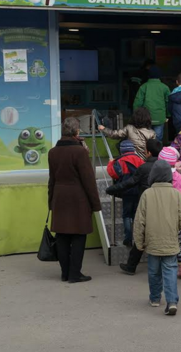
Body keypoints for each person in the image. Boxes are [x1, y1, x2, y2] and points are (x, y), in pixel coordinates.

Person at [133, 160, 181, 316]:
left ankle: (155, 298)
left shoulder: (147, 194)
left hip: (152, 241)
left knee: (153, 271)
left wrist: (139, 241)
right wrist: (177, 227)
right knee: (170, 270)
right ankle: (172, 301)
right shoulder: (176, 194)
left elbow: (139, 220)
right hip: (171, 239)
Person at [48, 117, 101, 283]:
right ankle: (75, 273)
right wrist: (95, 203)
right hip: (78, 198)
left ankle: (65, 273)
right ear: (76, 132)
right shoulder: (79, 152)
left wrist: (50, 201)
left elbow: (52, 180)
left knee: (62, 236)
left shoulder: (53, 152)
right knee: (78, 236)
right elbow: (88, 180)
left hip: (59, 196)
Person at [108, 138, 163, 275]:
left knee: (140, 236)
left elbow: (130, 183)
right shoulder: (164, 166)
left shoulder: (144, 167)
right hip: (161, 204)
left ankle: (131, 265)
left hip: (145, 204)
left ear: (148, 152)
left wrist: (112, 189)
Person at [158, 146, 181, 280]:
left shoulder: (157, 177)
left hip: (161, 214)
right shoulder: (179, 177)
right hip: (176, 215)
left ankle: (164, 270)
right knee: (177, 241)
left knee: (162, 243)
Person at [105, 140, 144, 248]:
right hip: (138, 191)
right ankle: (138, 238)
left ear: (122, 151)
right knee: (137, 215)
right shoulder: (139, 159)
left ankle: (128, 238)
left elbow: (113, 174)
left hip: (126, 191)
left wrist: (110, 163)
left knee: (127, 215)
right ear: (133, 149)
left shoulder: (120, 161)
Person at [133, 65, 170, 141]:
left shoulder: (143, 87)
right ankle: (156, 152)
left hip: (145, 117)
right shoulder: (164, 87)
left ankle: (147, 152)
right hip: (160, 117)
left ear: (148, 75)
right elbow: (168, 103)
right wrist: (168, 115)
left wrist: (136, 116)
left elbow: (137, 103)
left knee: (146, 138)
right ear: (160, 75)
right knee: (157, 139)